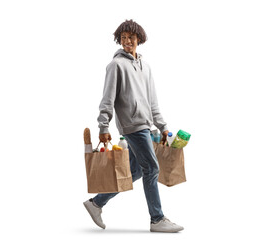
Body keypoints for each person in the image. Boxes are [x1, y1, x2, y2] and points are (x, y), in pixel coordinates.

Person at [83, 19, 184, 233]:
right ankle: (157, 219)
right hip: (132, 126)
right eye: (123, 38)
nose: (127, 41)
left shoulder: (145, 67)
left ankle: (96, 203)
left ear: (140, 39)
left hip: (147, 125)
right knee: (153, 167)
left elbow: (153, 102)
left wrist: (163, 126)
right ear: (119, 40)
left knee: (136, 170)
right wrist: (103, 127)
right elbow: (107, 99)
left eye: (131, 37)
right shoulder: (115, 66)